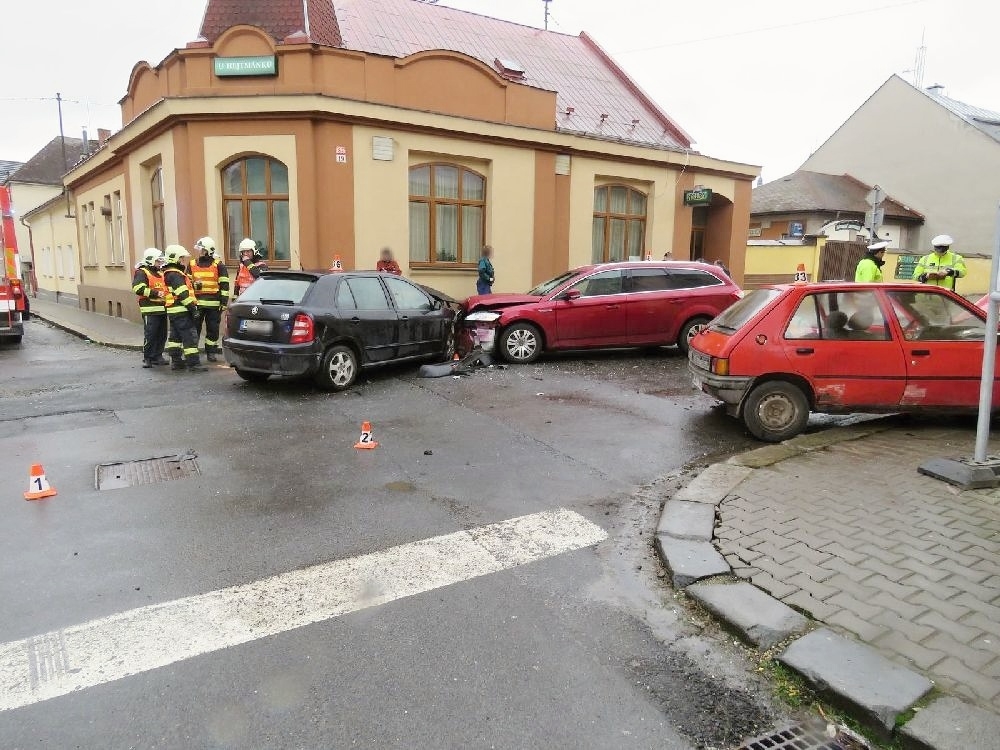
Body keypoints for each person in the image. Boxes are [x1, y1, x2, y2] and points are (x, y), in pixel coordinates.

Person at [161, 245, 207, 373]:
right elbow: (182, 294)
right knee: (189, 336)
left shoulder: (170, 273)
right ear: (176, 259)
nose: (184, 261)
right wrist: (193, 309)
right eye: (182, 258)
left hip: (174, 311)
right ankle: (194, 364)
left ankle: (176, 362)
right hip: (182, 310)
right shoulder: (175, 275)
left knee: (175, 337)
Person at [190, 236, 230, 362]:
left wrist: (224, 302)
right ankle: (192, 352)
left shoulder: (219, 265)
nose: (200, 252)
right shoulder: (192, 264)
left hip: (214, 304)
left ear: (208, 250)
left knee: (213, 329)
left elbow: (224, 285)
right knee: (194, 329)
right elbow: (186, 283)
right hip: (197, 303)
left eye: (202, 249)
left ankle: (211, 352)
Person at [131, 248, 169, 368]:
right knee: (150, 334)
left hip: (162, 309)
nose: (160, 263)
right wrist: (155, 293)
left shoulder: (161, 273)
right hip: (150, 309)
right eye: (158, 261)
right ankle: (147, 357)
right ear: (151, 260)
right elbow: (138, 288)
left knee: (162, 334)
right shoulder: (142, 272)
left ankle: (158, 356)